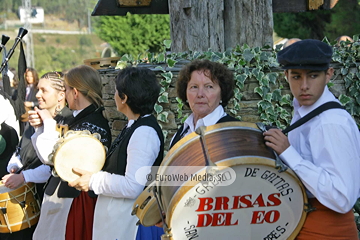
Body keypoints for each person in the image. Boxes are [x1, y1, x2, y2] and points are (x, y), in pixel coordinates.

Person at [263, 39, 360, 239]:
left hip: (329, 229)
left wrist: (288, 152)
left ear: (329, 75)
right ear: (286, 76)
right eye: (296, 77)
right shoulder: (304, 110)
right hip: (302, 219)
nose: (304, 86)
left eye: (313, 76)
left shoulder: (330, 123)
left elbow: (342, 198)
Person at [68, 66, 164, 239]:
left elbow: (133, 186)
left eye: (116, 91)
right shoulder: (134, 126)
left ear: (124, 98)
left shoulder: (144, 133)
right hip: (120, 222)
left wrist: (93, 180)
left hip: (132, 227)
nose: (113, 96)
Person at [29, 65, 112, 240]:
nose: (64, 95)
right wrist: (39, 129)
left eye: (66, 89)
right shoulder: (81, 119)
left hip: (74, 202)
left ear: (75, 92)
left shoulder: (92, 124)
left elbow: (53, 157)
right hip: (64, 198)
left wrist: (48, 124)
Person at [1, 71, 72, 240]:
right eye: (38, 90)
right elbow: (21, 149)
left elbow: (54, 165)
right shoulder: (37, 116)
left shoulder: (67, 122)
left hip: (50, 196)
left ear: (61, 95)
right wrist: (15, 166)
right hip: (30, 190)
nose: (38, 95)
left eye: (43, 90)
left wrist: (24, 176)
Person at [170, 59, 238, 148]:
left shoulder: (236, 131)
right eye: (194, 87)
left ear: (222, 93)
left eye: (209, 87)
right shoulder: (179, 135)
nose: (200, 94)